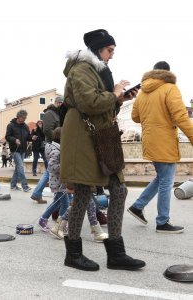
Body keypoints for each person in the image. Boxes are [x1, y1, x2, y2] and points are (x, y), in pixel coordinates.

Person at [60, 29, 145, 271]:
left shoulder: (98, 71)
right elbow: (89, 103)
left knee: (118, 189)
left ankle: (116, 253)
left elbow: (102, 106)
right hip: (82, 137)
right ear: (98, 49)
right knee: (84, 194)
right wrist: (115, 93)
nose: (111, 55)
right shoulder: (80, 70)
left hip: (100, 135)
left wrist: (119, 99)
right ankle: (73, 253)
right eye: (109, 50)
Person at [127, 61, 193, 233]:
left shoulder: (142, 92)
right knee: (166, 181)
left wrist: (152, 118)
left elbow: (135, 117)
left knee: (161, 178)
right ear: (167, 73)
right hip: (164, 142)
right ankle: (162, 222)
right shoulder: (170, 88)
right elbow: (181, 117)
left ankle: (137, 206)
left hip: (150, 141)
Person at [30, 96, 64, 204]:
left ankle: (37, 193)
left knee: (49, 170)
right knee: (49, 170)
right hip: (52, 144)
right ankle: (37, 193)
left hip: (54, 144)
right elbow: (47, 129)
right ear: (58, 103)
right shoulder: (50, 113)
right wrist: (58, 139)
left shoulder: (56, 113)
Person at [5, 109, 35, 192]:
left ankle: (13, 185)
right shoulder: (10, 125)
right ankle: (25, 186)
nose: (25, 119)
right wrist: (15, 140)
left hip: (23, 150)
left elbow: (28, 136)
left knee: (18, 168)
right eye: (23, 118)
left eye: (25, 118)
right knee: (21, 167)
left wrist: (32, 138)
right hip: (15, 150)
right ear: (18, 117)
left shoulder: (25, 126)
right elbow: (7, 136)